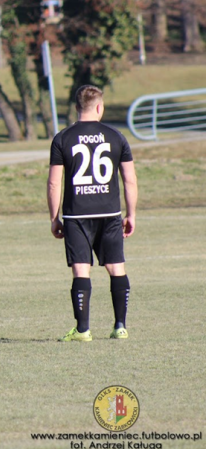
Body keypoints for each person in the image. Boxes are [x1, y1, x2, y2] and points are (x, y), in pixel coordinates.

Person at [48, 85, 137, 342]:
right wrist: (131, 214)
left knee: (80, 270)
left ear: (77, 108)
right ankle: (120, 326)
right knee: (115, 267)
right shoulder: (116, 136)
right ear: (100, 107)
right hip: (110, 213)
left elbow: (54, 183)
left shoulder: (62, 138)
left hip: (76, 216)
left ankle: (83, 330)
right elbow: (129, 180)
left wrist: (54, 217)